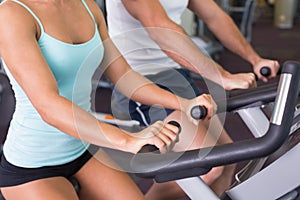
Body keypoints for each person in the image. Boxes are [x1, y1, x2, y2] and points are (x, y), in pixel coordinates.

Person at [0, 0, 217, 199]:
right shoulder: (12, 14)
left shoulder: (86, 6)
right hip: (33, 165)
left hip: (83, 149)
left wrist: (183, 103)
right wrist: (128, 140)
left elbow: (124, 75)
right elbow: (48, 105)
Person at [105, 0, 280, 199]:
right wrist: (221, 76)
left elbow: (214, 16)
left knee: (227, 160)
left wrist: (254, 59)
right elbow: (159, 27)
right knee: (207, 166)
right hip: (140, 84)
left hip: (178, 76)